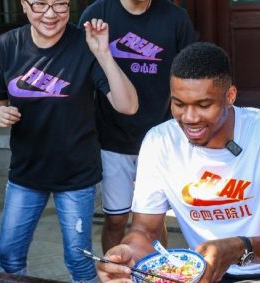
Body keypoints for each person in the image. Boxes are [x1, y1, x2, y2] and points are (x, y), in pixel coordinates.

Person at [96, 42, 260, 283]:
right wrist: (129, 253)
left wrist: (239, 248)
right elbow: (144, 230)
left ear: (230, 97)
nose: (189, 118)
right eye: (179, 104)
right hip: (198, 275)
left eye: (204, 105)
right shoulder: (159, 141)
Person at [0, 0, 138, 282]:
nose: (51, 14)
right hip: (26, 171)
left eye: (60, 5)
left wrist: (103, 53)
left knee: (78, 259)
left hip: (76, 174)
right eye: (41, 4)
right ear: (24, 5)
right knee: (8, 252)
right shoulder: (8, 44)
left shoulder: (84, 44)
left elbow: (128, 105)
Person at [78, 0, 196, 253]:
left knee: (153, 220)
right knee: (116, 219)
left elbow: (191, 73)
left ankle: (155, 275)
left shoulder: (175, 18)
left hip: (160, 138)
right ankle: (115, 275)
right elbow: (80, 69)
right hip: (112, 137)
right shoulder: (97, 14)